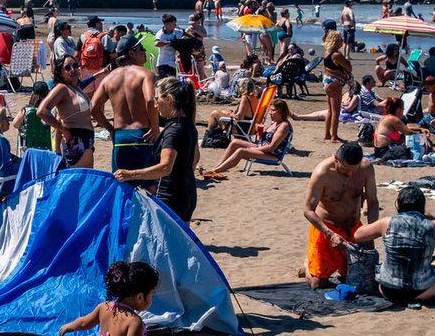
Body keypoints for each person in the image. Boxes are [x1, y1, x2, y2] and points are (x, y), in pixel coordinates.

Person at [352, 186, 435, 303]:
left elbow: (358, 235)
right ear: (422, 206)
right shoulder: (433, 226)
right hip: (422, 292)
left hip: (388, 291)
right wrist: (434, 217)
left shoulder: (387, 222)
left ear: (398, 205)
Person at [115, 77, 199, 222]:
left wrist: (130, 175)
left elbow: (165, 167)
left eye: (157, 98)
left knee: (164, 242)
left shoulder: (173, 131)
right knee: (180, 242)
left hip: (170, 195)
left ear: (169, 99)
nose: (155, 105)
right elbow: (195, 158)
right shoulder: (188, 125)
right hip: (188, 191)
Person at [302, 142, 379, 290]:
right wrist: (330, 234)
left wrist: (371, 230)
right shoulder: (322, 173)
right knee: (318, 285)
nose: (349, 174)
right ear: (336, 158)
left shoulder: (366, 168)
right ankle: (307, 265)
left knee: (355, 280)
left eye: (353, 170)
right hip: (327, 229)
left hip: (354, 227)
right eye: (344, 170)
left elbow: (373, 201)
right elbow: (308, 210)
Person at [89, 34, 159, 178]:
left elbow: (93, 108)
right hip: (142, 135)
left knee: (121, 185)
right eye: (141, 48)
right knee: (147, 187)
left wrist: (110, 128)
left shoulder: (109, 78)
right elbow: (150, 100)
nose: (145, 51)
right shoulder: (145, 74)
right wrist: (155, 126)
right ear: (131, 53)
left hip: (120, 137)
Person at [200, 99, 293, 179]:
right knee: (235, 142)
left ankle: (214, 170)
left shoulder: (283, 126)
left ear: (281, 111)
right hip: (263, 148)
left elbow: (271, 147)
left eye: (273, 110)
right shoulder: (275, 122)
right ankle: (219, 166)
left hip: (272, 155)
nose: (270, 113)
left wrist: (254, 149)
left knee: (241, 151)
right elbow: (263, 140)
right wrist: (260, 132)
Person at [38, 57, 95, 168]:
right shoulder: (62, 88)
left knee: (82, 179)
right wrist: (63, 130)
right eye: (67, 68)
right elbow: (42, 111)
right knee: (79, 180)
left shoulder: (76, 88)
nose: (72, 69)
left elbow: (60, 117)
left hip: (86, 138)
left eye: (75, 65)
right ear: (61, 72)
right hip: (75, 139)